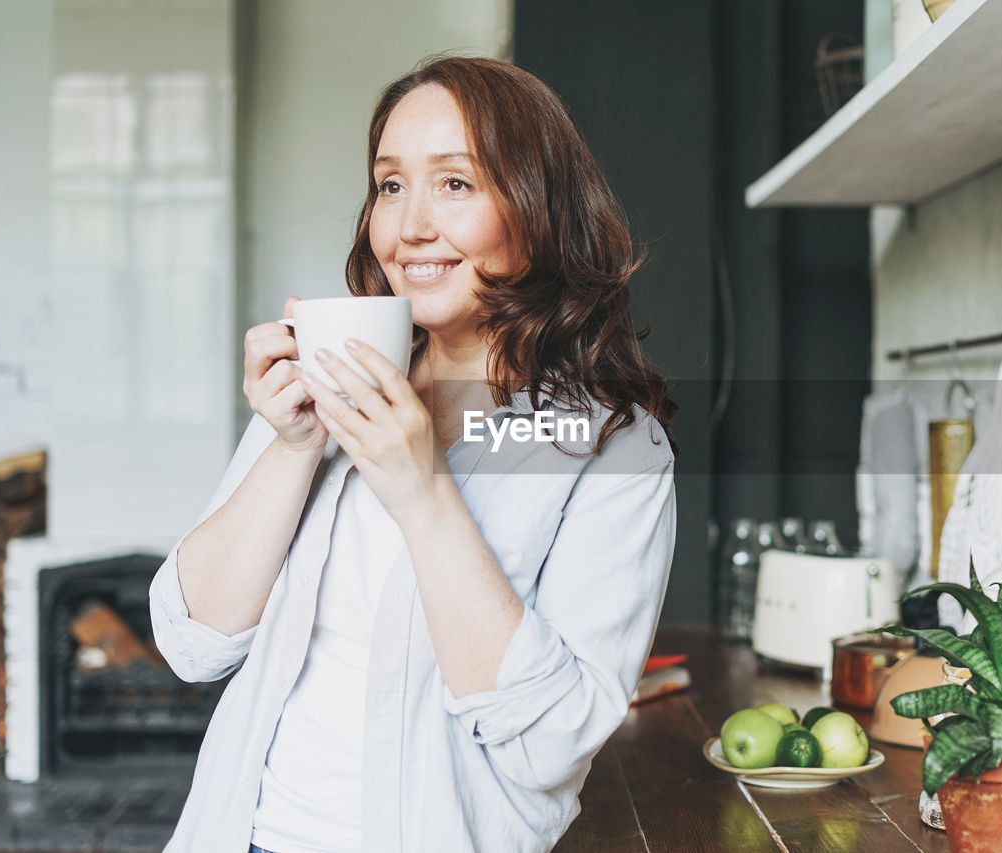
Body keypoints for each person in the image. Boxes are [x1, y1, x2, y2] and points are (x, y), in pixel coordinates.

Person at [149, 55, 677, 853]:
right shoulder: (332, 376)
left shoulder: (612, 446)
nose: (409, 227)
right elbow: (190, 640)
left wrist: (422, 494)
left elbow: (551, 743)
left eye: (456, 184)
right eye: (390, 185)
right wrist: (295, 443)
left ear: (538, 204)